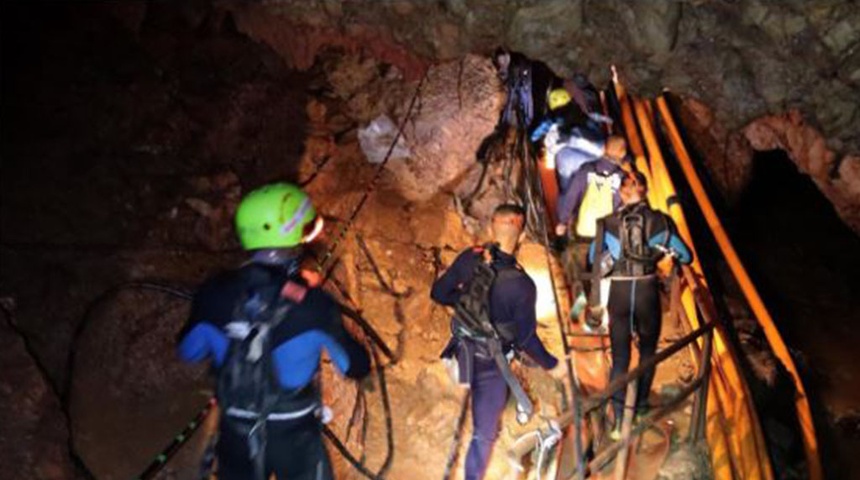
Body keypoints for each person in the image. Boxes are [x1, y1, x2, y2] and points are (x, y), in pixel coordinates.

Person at [177, 182, 370, 480]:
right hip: (295, 436)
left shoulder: (213, 292)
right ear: (293, 236)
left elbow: (188, 352)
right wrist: (317, 306)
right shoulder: (314, 305)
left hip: (235, 433)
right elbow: (355, 366)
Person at [431, 204, 562, 480]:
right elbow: (527, 339)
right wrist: (552, 365)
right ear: (523, 234)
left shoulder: (469, 257)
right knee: (484, 435)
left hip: (456, 354)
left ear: (491, 226)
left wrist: (465, 304)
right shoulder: (522, 284)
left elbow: (439, 293)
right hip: (490, 366)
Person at [588, 171, 692, 439]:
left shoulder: (606, 223)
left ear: (621, 193)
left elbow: (593, 258)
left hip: (619, 294)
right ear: (645, 191)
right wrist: (660, 252)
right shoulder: (660, 221)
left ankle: (618, 421)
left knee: (620, 358)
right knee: (648, 351)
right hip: (646, 292)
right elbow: (686, 255)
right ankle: (642, 405)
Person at [554, 135, 628, 321]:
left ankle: (578, 302)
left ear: (604, 148)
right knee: (600, 271)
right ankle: (596, 312)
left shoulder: (587, 170)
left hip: (582, 231)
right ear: (623, 154)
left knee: (579, 268)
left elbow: (571, 196)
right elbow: (623, 207)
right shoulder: (622, 178)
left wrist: (562, 221)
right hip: (606, 234)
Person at [531, 88, 606, 192]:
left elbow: (534, 136)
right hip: (593, 158)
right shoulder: (584, 116)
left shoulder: (551, 122)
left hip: (570, 164)